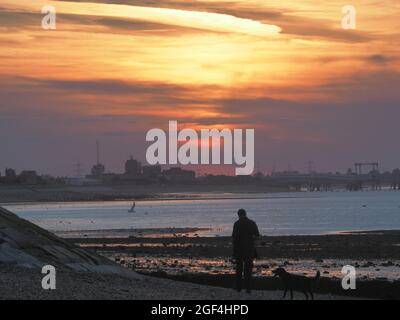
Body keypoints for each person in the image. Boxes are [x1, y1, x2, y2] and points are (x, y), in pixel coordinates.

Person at [232, 208, 260, 293]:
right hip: (249, 250)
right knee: (248, 270)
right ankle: (248, 289)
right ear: (245, 214)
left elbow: (234, 237)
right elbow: (257, 235)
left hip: (239, 250)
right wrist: (252, 240)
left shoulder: (236, 224)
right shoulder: (252, 223)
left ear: (239, 215)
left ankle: (238, 288)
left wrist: (234, 249)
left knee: (239, 269)